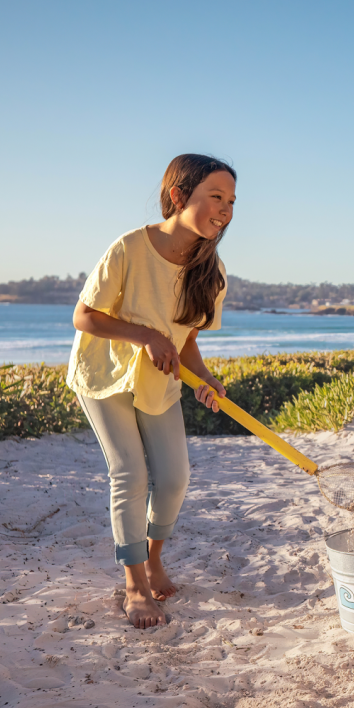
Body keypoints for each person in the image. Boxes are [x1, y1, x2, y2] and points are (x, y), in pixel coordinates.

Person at [68, 154, 234, 629]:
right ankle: (135, 584)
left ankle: (153, 557)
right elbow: (84, 317)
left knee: (175, 476)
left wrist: (205, 380)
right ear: (179, 197)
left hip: (156, 378)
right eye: (215, 197)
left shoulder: (212, 269)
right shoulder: (129, 248)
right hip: (105, 373)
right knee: (130, 474)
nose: (224, 210)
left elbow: (188, 343)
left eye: (231, 202)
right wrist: (147, 337)